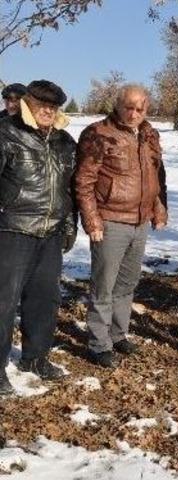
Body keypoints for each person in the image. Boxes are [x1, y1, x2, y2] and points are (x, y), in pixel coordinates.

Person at [75, 84, 168, 368]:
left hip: (139, 222)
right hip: (110, 221)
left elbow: (156, 176)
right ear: (117, 105)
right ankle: (99, 343)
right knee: (104, 285)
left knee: (127, 283)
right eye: (129, 107)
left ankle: (118, 334)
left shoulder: (149, 134)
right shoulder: (98, 133)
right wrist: (92, 221)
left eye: (140, 108)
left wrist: (158, 209)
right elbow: (84, 181)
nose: (134, 113)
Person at [0, 80, 77, 394]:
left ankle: (35, 358)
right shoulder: (6, 133)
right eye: (42, 104)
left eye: (54, 105)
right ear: (28, 103)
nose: (48, 110)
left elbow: (68, 189)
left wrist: (70, 225)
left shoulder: (64, 141)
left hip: (51, 233)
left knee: (45, 300)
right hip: (13, 229)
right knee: (4, 302)